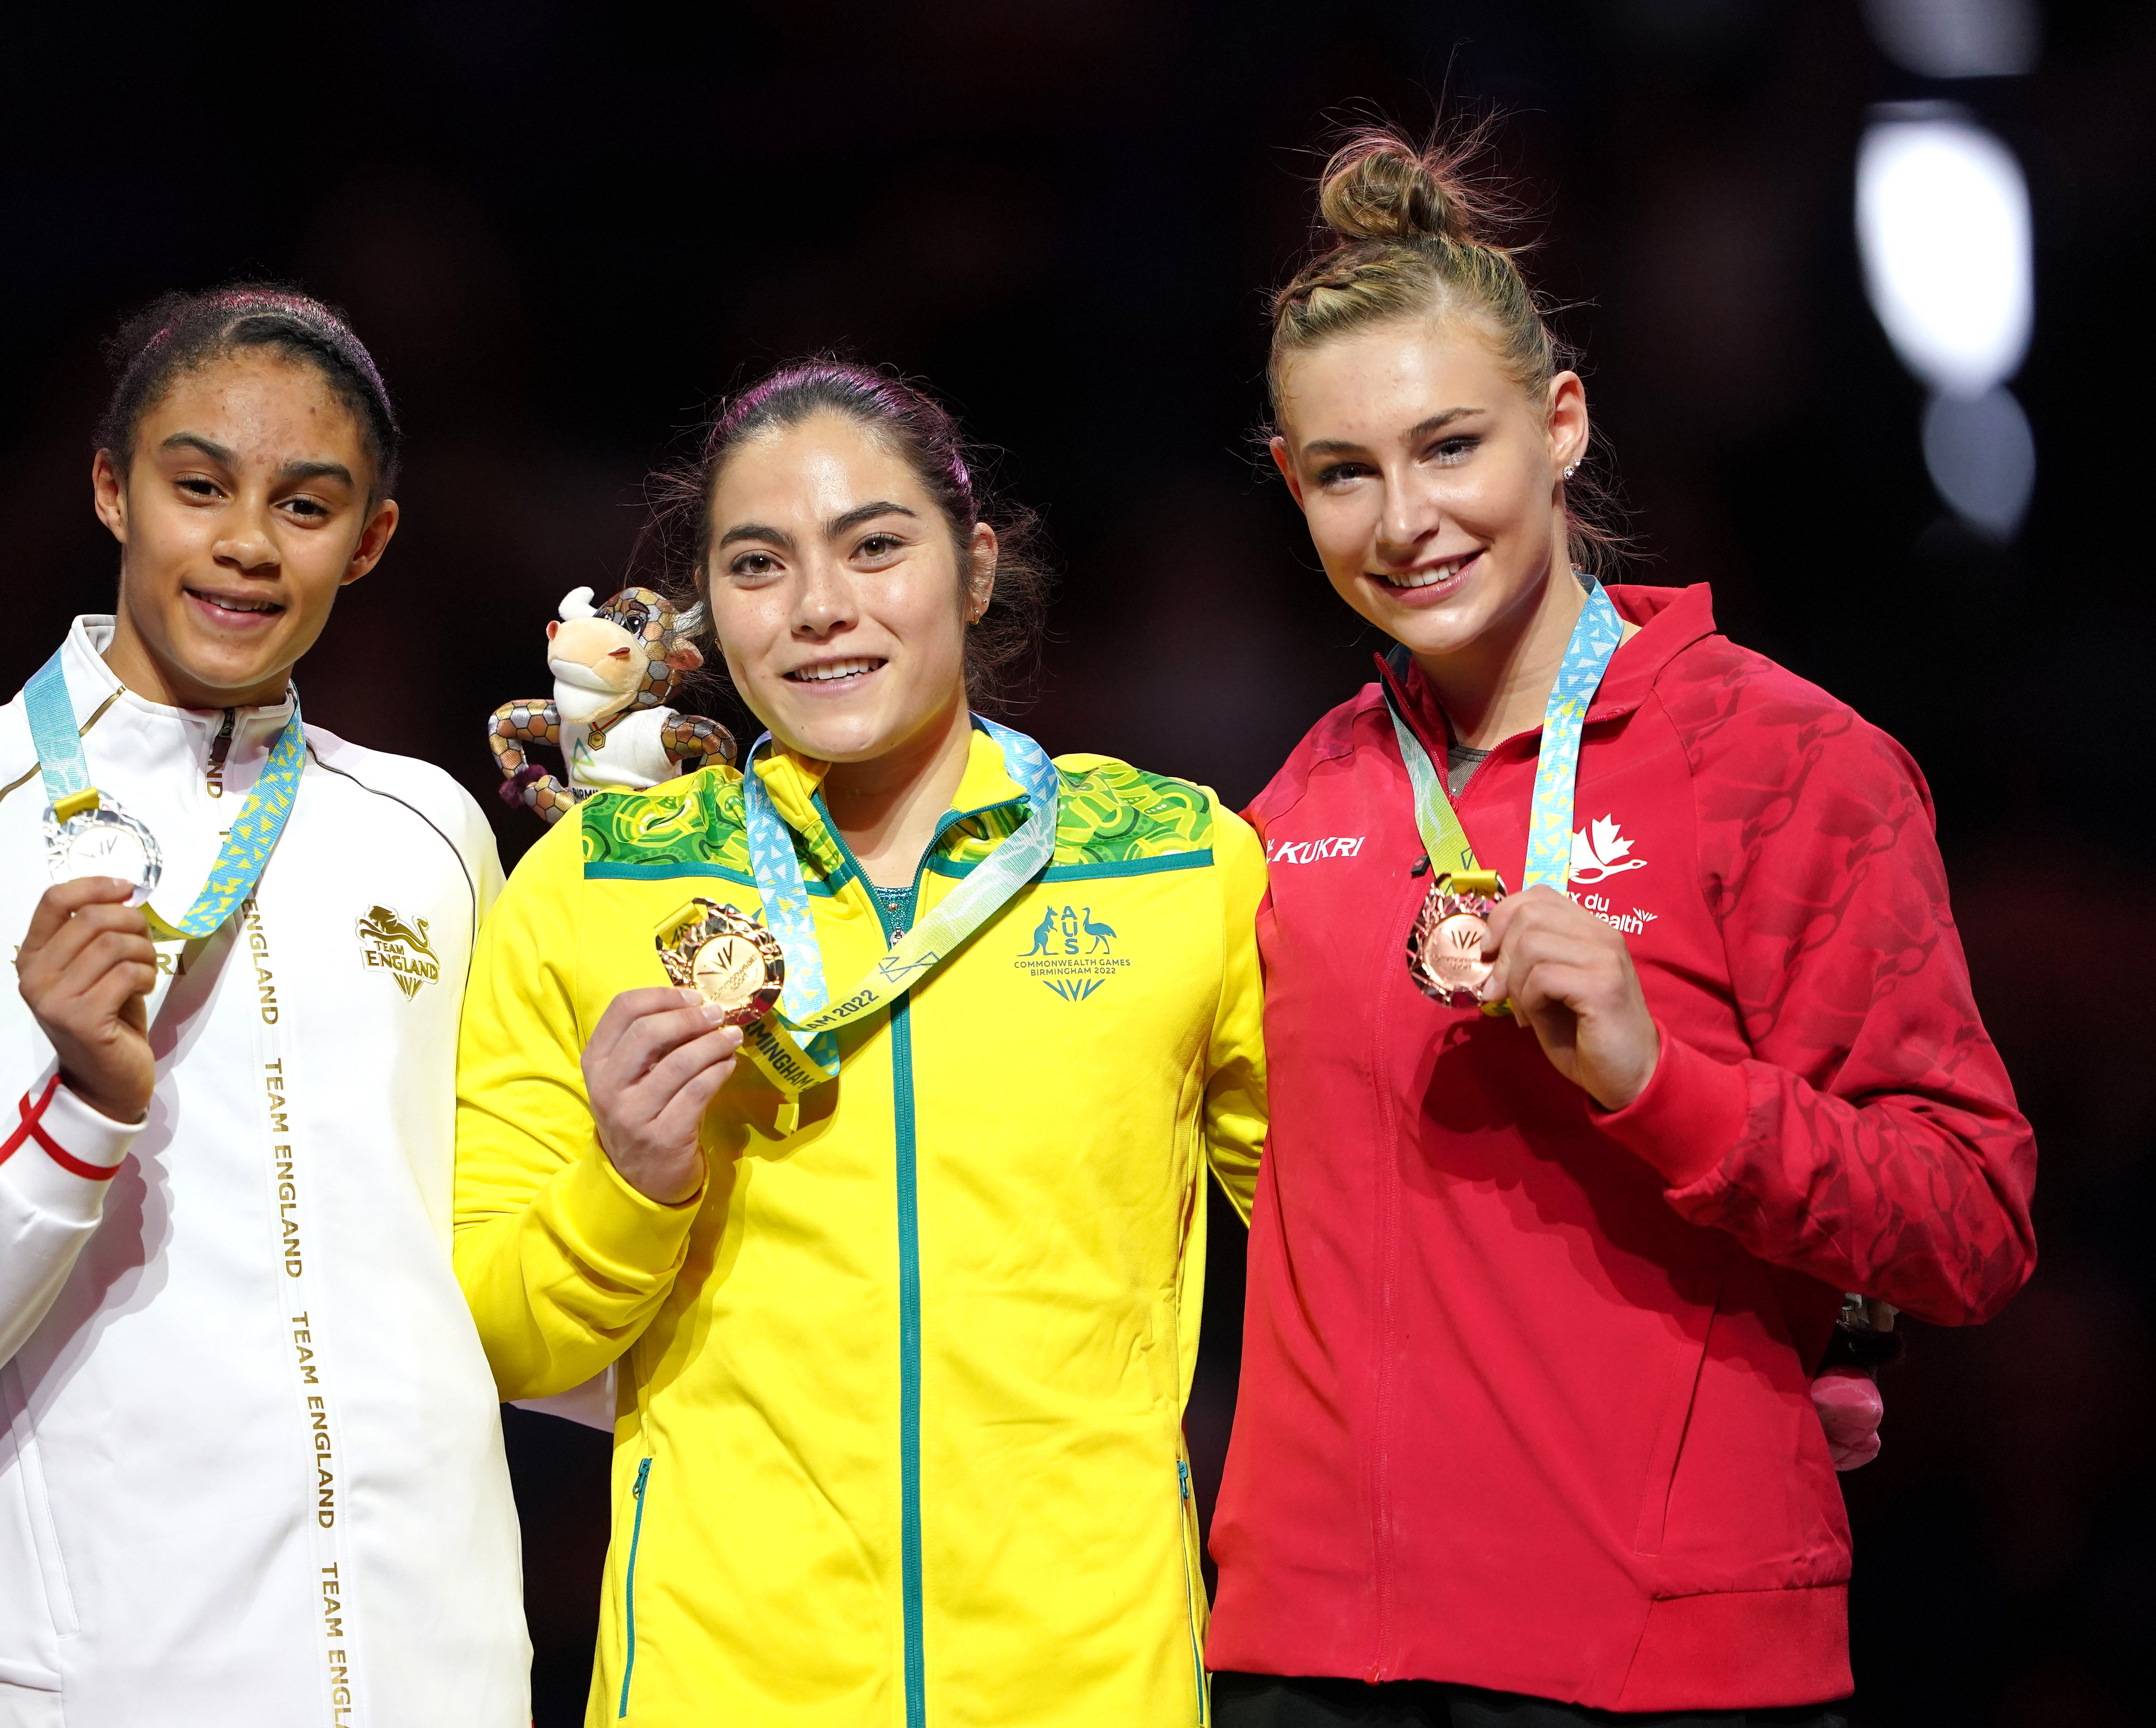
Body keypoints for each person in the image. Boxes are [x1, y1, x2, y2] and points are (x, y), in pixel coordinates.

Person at [1206, 132, 2038, 1725]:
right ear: (1290, 482)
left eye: (1451, 448)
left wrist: (1670, 1081)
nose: (1405, 522)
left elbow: (1971, 1221)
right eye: (1344, 472)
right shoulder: (1291, 805)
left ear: (1563, 423)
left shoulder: (1789, 766)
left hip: (1651, 1661)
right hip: (1308, 1660)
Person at [451, 360, 1268, 1725]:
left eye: (876, 547)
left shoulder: (1176, 866)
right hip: (718, 1686)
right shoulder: (596, 883)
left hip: (1093, 1685)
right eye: (760, 566)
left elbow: (1349, 1245)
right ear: (712, 612)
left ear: (977, 568)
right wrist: (631, 1184)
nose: (823, 609)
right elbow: (499, 1334)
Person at [0, 287, 529, 1727]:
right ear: (111, 487)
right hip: (94, 1683)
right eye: (201, 487)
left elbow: (495, 1291)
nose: (248, 544)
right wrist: (79, 1116)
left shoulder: (431, 833)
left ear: (371, 541)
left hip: (435, 1674)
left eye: (307, 507)